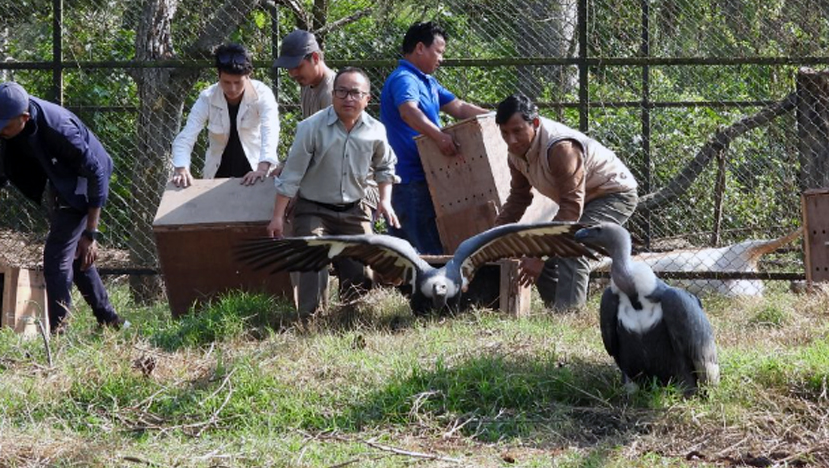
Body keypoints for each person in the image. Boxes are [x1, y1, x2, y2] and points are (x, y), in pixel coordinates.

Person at [0, 81, 126, 332]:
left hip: (85, 181)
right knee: (75, 257)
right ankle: (109, 320)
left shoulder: (59, 129)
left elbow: (96, 173)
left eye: (3, 127)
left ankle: (59, 331)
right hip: (61, 178)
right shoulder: (13, 123)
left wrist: (91, 232)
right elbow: (5, 152)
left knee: (55, 258)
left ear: (23, 117)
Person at [268, 68, 400, 316]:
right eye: (341, 91)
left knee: (360, 271)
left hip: (354, 210)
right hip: (313, 209)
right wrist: (277, 216)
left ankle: (352, 319)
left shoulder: (375, 130)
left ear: (367, 98)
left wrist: (385, 201)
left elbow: (385, 167)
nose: (348, 98)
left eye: (355, 93)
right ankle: (311, 320)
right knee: (312, 258)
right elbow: (291, 175)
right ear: (332, 94)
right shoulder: (311, 128)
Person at [494, 94, 639, 311]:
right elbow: (519, 197)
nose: (511, 140)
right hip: (581, 200)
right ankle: (558, 310)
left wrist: (539, 254)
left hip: (613, 193)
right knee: (540, 247)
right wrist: (493, 237)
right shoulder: (515, 153)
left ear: (534, 123)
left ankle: (569, 316)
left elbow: (571, 209)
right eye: (504, 133)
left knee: (574, 244)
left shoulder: (562, 148)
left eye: (517, 131)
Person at [380, 21, 487, 254]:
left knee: (420, 245)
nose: (441, 59)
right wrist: (439, 137)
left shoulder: (427, 81)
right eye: (438, 52)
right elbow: (408, 111)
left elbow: (458, 107)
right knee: (424, 249)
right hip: (408, 178)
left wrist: (499, 119)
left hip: (427, 174)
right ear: (420, 48)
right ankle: (430, 290)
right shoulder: (404, 79)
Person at [170, 43, 279, 188]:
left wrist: (263, 168)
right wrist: (181, 168)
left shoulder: (262, 94)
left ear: (248, 76)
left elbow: (270, 129)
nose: (232, 88)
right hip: (217, 176)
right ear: (218, 75)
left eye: (238, 82)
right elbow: (186, 136)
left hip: (255, 174)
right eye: (226, 82)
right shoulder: (207, 97)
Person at [274, 28, 335, 119]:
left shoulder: (334, 93)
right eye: (289, 68)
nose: (292, 74)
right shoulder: (307, 83)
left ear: (315, 58)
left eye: (297, 67)